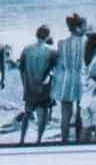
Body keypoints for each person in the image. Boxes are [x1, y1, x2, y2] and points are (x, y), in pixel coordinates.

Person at [51, 14, 88, 143]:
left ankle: (64, 141)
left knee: (65, 115)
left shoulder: (61, 43)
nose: (86, 28)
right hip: (81, 80)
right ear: (78, 28)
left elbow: (60, 63)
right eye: (84, 26)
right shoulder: (86, 42)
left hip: (64, 81)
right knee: (81, 114)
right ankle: (78, 141)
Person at [15, 26, 56, 145]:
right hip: (44, 89)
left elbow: (21, 69)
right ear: (48, 36)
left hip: (30, 88)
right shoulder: (51, 50)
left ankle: (22, 140)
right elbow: (53, 70)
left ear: (36, 35)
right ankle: (38, 140)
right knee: (42, 117)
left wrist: (24, 84)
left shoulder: (27, 49)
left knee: (27, 115)